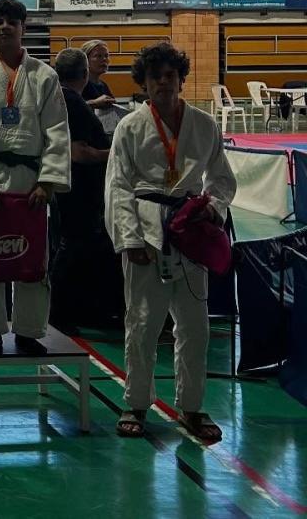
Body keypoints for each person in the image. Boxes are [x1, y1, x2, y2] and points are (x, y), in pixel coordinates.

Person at [106, 43, 235, 444]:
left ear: (181, 79)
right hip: (146, 231)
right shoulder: (130, 126)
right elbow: (118, 186)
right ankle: (136, 403)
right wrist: (129, 238)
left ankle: (192, 406)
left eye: (170, 75)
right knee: (143, 323)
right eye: (155, 77)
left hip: (190, 231)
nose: (163, 82)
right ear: (144, 84)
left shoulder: (204, 124)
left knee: (195, 326)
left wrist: (213, 208)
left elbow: (222, 178)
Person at [0, 0, 70, 356]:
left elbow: (57, 131)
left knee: (32, 261)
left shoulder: (44, 75)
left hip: (30, 182)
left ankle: (28, 331)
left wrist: (48, 181)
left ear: (23, 27)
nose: (5, 26)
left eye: (12, 21)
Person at [49, 48, 123, 333]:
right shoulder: (73, 103)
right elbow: (79, 153)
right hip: (79, 188)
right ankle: (60, 315)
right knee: (73, 247)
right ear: (83, 73)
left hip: (70, 186)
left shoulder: (64, 99)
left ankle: (80, 311)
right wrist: (117, 152)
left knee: (80, 247)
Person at [81, 40, 116, 110]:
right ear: (86, 60)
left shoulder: (104, 85)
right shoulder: (79, 84)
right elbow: (70, 107)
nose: (104, 59)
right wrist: (94, 103)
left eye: (106, 56)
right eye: (98, 56)